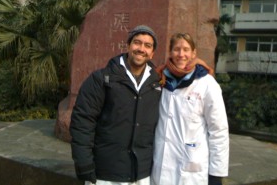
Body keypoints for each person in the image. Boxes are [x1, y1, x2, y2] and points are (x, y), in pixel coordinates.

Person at [69, 25, 162, 185]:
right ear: (128, 45)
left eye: (148, 45)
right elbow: (82, 122)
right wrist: (84, 163)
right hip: (106, 173)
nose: (141, 49)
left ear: (152, 53)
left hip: (142, 174)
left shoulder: (157, 84)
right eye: (137, 42)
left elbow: (184, 67)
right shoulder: (101, 79)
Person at [151, 33, 229, 185]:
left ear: (194, 53)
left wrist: (216, 174)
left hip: (191, 171)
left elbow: (218, 131)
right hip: (160, 167)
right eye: (177, 49)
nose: (181, 54)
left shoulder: (207, 84)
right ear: (170, 52)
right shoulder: (159, 80)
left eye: (186, 49)